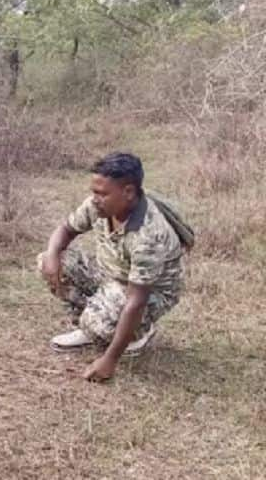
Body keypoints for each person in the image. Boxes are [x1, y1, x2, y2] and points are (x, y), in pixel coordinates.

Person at [38, 152, 185, 381]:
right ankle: (94, 326)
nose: (95, 198)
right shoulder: (99, 207)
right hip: (111, 274)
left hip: (147, 292)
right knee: (50, 261)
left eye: (102, 193)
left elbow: (137, 300)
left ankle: (136, 334)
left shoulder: (149, 234)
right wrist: (53, 254)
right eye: (93, 192)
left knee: (102, 320)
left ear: (128, 192)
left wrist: (110, 360)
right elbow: (65, 229)